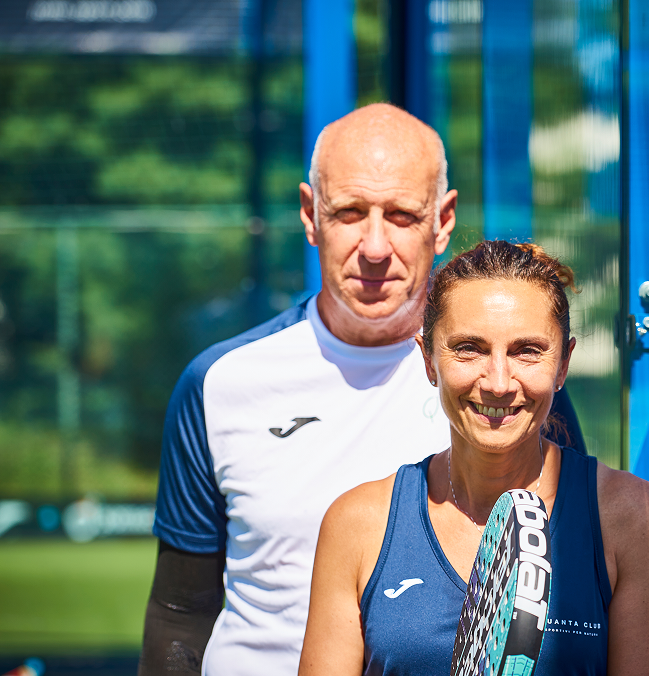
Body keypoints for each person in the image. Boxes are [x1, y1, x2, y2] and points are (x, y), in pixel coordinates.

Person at [139, 105, 586, 676]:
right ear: (310, 214)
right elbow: (181, 611)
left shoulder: (513, 388)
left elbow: (563, 586)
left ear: (442, 221)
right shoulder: (220, 382)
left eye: (401, 215)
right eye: (350, 212)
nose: (375, 247)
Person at [299, 241, 649, 676]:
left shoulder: (625, 513)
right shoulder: (357, 523)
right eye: (469, 348)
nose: (498, 382)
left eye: (527, 350)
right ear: (429, 359)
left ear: (563, 364)